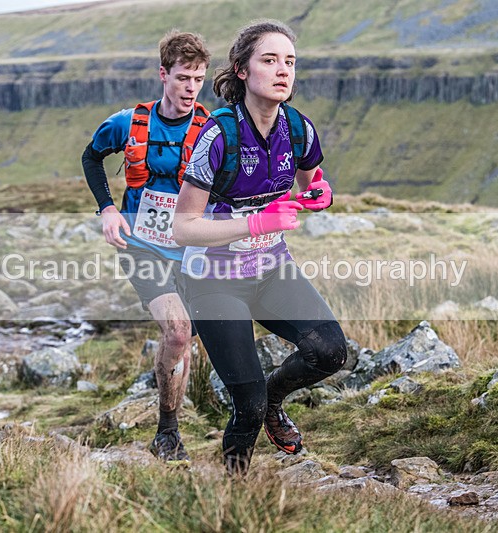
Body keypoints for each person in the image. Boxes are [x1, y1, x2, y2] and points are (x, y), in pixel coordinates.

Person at [173, 20, 347, 476]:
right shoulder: (219, 135)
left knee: (329, 351)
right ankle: (235, 492)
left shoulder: (298, 128)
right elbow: (184, 228)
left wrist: (320, 196)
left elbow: (315, 185)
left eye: (289, 61)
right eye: (269, 60)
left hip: (271, 270)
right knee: (245, 405)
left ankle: (275, 397)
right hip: (212, 282)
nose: (282, 70)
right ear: (242, 70)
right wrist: (256, 222)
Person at [82, 30, 211, 464]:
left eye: (198, 79)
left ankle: (170, 430)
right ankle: (167, 431)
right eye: (182, 78)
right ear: (163, 75)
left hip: (190, 246)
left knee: (186, 338)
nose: (191, 88)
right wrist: (106, 209)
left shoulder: (210, 130)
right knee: (177, 331)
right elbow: (90, 156)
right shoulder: (127, 123)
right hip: (141, 245)